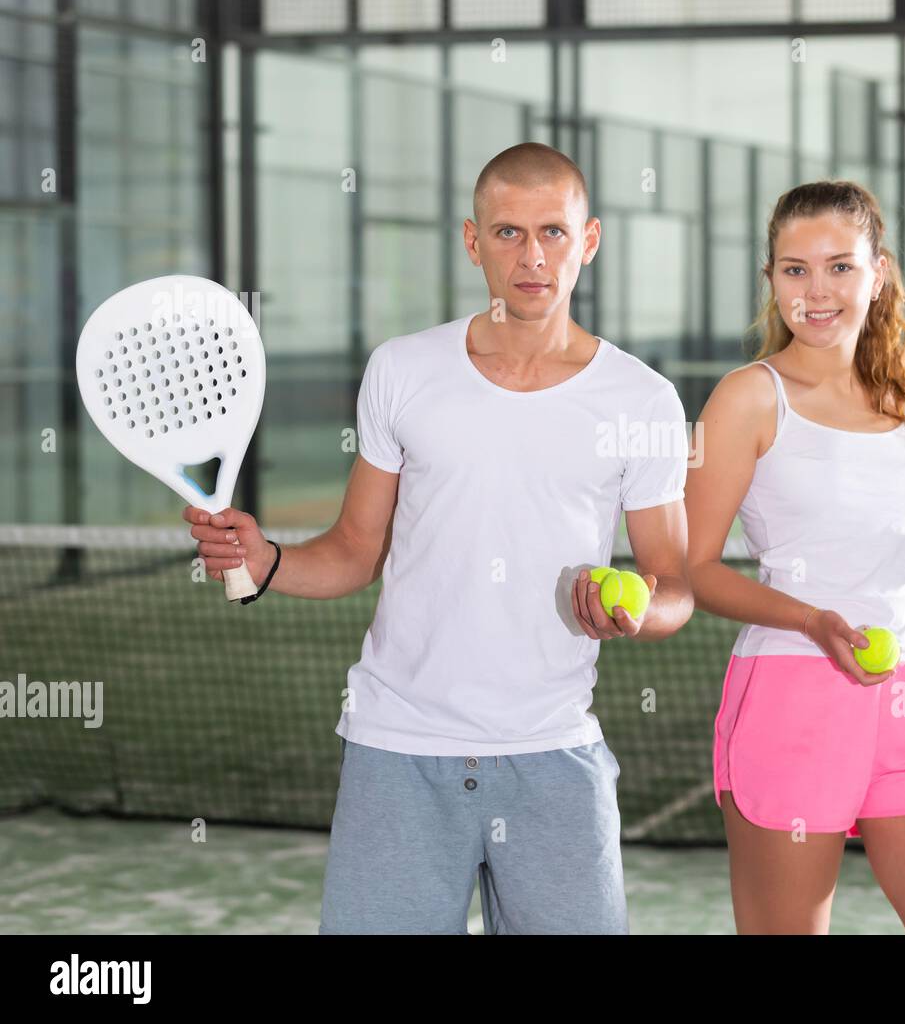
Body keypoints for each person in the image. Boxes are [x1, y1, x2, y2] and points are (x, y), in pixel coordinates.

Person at [184, 142, 693, 934]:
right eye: (507, 233)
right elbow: (356, 550)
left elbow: (675, 587)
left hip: (554, 755)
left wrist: (637, 612)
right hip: (397, 750)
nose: (532, 256)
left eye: (553, 232)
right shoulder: (402, 370)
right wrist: (269, 559)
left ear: (588, 240)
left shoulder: (643, 399)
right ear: (472, 240)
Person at [686, 180, 905, 935]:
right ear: (771, 279)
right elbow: (694, 568)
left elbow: (888, 556)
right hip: (790, 698)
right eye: (794, 268)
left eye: (840, 265)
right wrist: (814, 621)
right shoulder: (746, 397)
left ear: (880, 272)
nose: (816, 290)